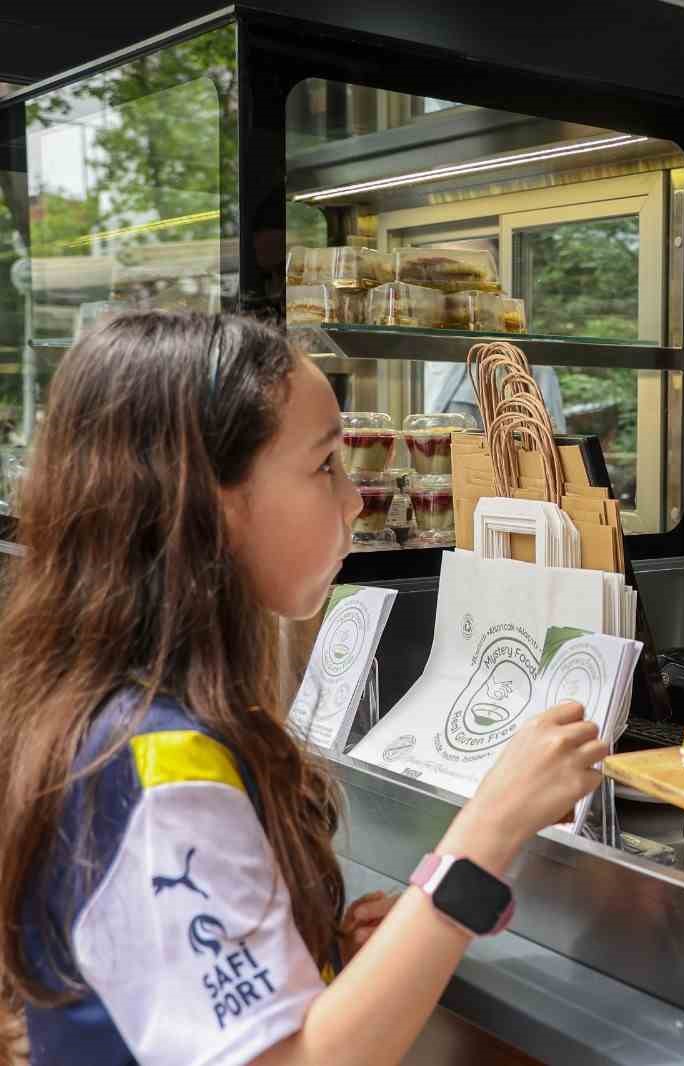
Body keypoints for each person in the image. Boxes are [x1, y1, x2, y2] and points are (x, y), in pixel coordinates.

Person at [0, 312, 607, 1065]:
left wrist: (330, 963)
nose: (354, 500)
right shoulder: (161, 770)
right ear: (210, 501)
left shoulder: (115, 716)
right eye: (325, 467)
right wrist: (490, 827)